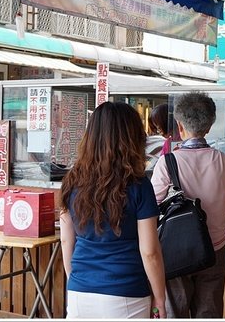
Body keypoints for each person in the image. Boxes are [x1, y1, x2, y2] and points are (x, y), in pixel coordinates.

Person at [151, 91, 225, 318]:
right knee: (210, 312)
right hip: (214, 248)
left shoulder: (168, 162)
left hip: (175, 250)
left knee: (175, 312)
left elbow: (151, 207)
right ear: (209, 126)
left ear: (179, 126)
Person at [59, 101, 166, 319]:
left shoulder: (71, 181)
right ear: (132, 138)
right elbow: (150, 252)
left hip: (79, 292)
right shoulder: (138, 185)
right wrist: (160, 299)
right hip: (126, 293)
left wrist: (76, 281)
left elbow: (66, 240)